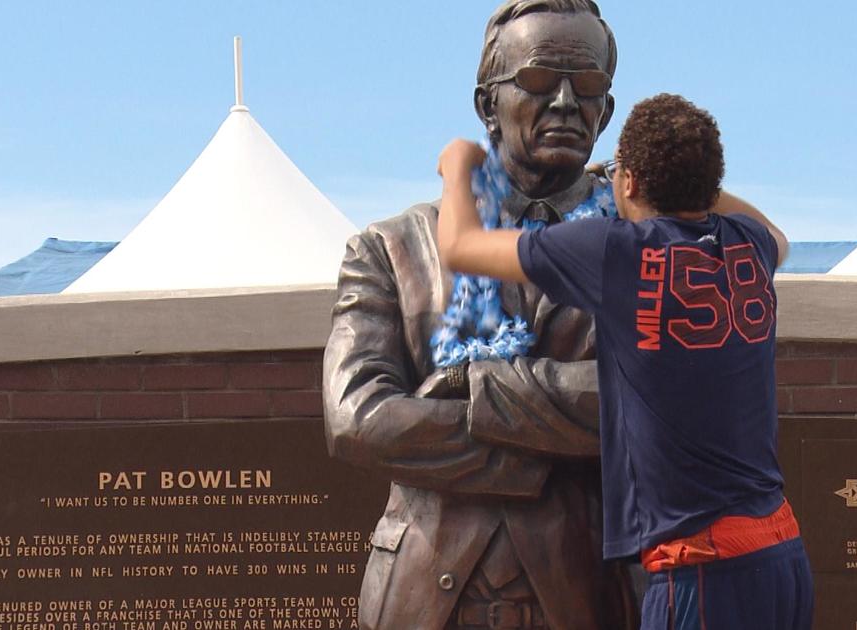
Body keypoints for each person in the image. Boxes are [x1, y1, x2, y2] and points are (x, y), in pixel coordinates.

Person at [437, 93, 813, 628]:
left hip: (701, 575)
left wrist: (456, 166)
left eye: (619, 172)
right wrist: (692, 182)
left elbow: (459, 246)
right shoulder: (749, 244)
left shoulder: (616, 252)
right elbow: (778, 233)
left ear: (630, 182)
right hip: (781, 555)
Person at [322, 1, 638, 628]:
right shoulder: (392, 248)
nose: (568, 104)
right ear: (487, 104)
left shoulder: (646, 251)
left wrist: (477, 389)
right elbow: (356, 419)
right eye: (542, 81)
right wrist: (544, 458)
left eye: (591, 86)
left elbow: (644, 404)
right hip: (421, 598)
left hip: (588, 594)